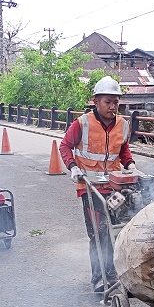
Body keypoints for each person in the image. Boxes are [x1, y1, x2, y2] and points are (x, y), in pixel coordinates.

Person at [59, 76, 136, 293]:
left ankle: (117, 273)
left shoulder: (123, 124)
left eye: (116, 102)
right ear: (96, 101)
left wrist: (130, 165)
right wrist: (73, 167)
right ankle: (100, 278)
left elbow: (123, 150)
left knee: (120, 229)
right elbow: (65, 146)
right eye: (108, 102)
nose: (113, 107)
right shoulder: (82, 123)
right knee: (99, 232)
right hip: (89, 187)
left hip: (114, 186)